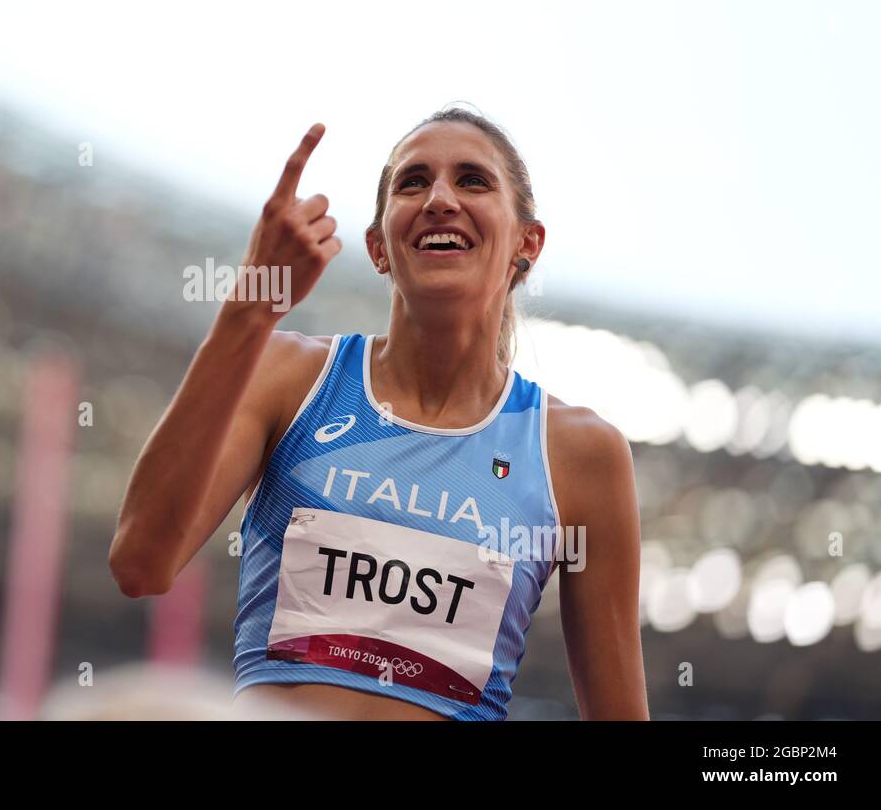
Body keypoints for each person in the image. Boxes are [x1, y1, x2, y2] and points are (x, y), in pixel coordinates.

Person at [110, 107, 649, 720]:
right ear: (377, 247)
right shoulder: (289, 378)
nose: (440, 198)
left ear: (527, 244)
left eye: (472, 180)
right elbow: (140, 562)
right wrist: (251, 306)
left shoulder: (578, 454)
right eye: (413, 182)